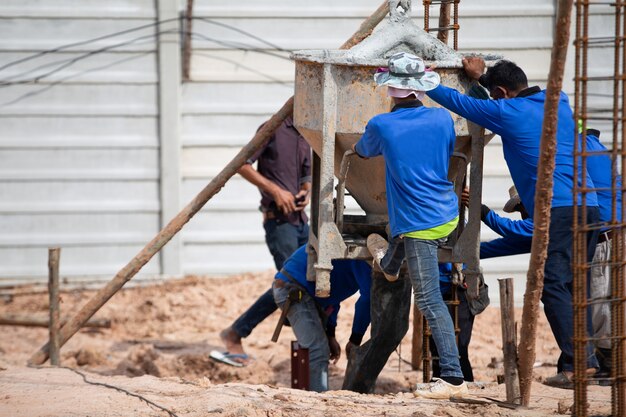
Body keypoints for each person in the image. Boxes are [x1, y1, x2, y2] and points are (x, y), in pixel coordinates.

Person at [427, 57, 601, 387]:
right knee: (577, 286)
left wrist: (419, 79)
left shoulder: (508, 112)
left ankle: (580, 364)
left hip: (558, 210)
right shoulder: (557, 102)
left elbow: (457, 101)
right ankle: (580, 360)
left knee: (553, 286)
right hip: (587, 205)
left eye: (494, 97)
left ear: (502, 92)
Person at [354, 52, 468, 399]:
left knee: (430, 300)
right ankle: (389, 264)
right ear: (419, 88)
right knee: (401, 234)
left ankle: (451, 377)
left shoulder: (381, 125)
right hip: (447, 214)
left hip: (419, 224)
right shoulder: (442, 118)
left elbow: (361, 151)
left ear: (391, 88)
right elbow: (446, 151)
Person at [219, 116, 312, 364]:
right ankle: (235, 333)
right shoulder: (273, 127)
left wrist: (305, 191)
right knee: (290, 283)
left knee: (307, 282)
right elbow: (241, 164)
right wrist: (275, 191)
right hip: (279, 222)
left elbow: (306, 177)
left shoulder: (308, 130)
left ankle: (309, 346)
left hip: (301, 221)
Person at [272, 245, 372, 392]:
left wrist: (330, 334)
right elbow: (367, 299)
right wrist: (355, 339)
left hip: (310, 292)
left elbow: (332, 294)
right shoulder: (361, 254)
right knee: (317, 349)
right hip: (293, 288)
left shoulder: (353, 251)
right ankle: (318, 398)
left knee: (319, 347)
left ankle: (313, 393)